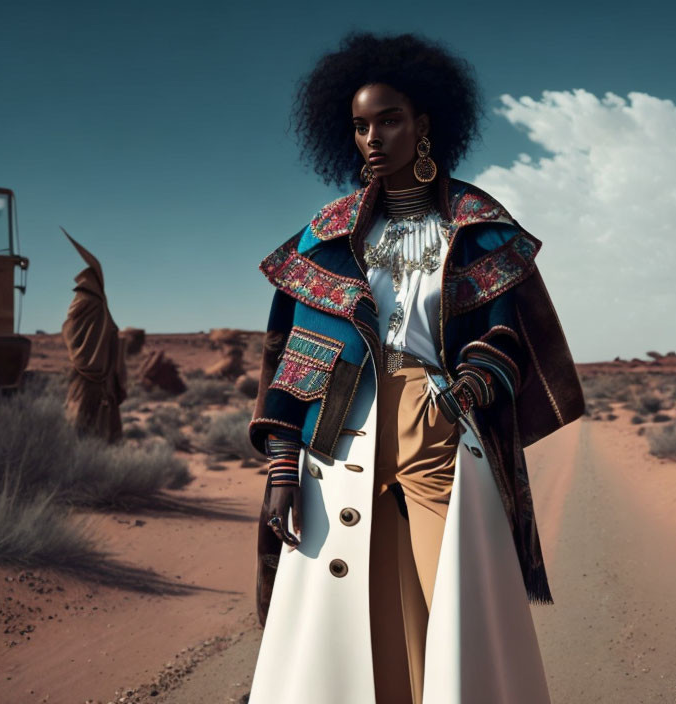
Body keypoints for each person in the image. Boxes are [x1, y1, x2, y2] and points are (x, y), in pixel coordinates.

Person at [246, 31, 585, 704]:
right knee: (348, 615)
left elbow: (504, 333)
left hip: (440, 427)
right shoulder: (329, 233)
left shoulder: (477, 224)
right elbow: (291, 360)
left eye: (390, 120)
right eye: (360, 126)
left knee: (458, 606)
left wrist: (469, 385)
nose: (373, 137)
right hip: (338, 434)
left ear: (424, 124)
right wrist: (283, 469)